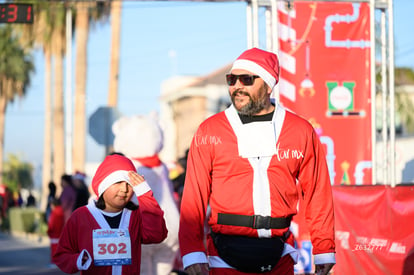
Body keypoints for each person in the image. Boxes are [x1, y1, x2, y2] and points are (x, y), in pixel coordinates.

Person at [178, 48, 336, 275]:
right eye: (231, 80)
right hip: (223, 255)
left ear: (269, 84)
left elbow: (317, 193)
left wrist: (324, 248)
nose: (237, 86)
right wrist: (192, 251)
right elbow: (194, 197)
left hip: (279, 251)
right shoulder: (210, 130)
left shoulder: (300, 131)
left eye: (247, 79)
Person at [53, 153, 168, 274]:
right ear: (104, 185)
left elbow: (157, 235)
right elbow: (61, 255)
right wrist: (78, 260)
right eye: (118, 182)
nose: (124, 189)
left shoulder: (136, 215)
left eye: (129, 184)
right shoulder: (81, 216)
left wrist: (145, 194)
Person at [112, 113, 180, 275]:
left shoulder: (128, 168)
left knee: (142, 269)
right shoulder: (162, 167)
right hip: (171, 226)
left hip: (142, 229)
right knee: (163, 269)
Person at [47, 197, 64, 267]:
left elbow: (51, 224)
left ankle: (54, 262)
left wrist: (49, 232)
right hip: (60, 233)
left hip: (54, 234)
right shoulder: (61, 211)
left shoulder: (54, 213)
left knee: (54, 249)